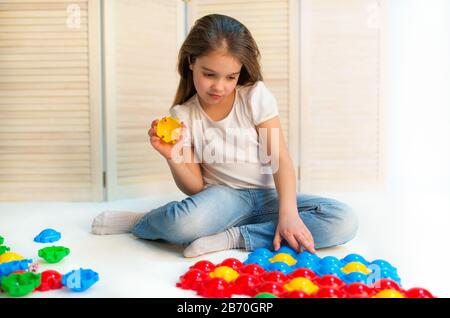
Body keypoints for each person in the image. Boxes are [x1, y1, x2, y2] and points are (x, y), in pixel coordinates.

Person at [91, 14, 358, 258]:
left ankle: (234, 237)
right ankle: (143, 221)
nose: (220, 86)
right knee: (184, 222)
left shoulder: (255, 96)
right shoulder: (182, 115)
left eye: (230, 77)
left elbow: (280, 159)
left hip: (270, 197)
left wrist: (288, 213)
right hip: (222, 200)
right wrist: (174, 158)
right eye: (209, 75)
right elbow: (195, 188)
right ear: (191, 63)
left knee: (343, 220)